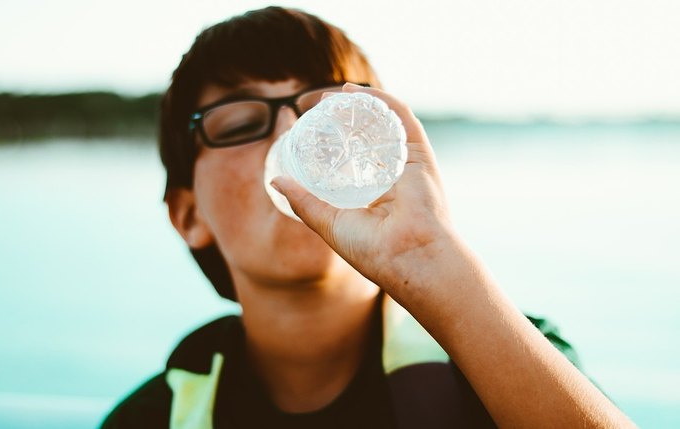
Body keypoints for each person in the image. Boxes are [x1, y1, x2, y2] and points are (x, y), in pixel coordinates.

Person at [101, 6, 636, 429]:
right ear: (189, 213)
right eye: (241, 121)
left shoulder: (509, 361)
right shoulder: (149, 418)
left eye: (331, 114)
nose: (296, 136)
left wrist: (431, 259)